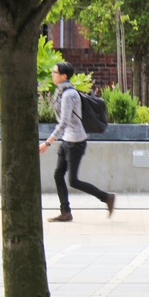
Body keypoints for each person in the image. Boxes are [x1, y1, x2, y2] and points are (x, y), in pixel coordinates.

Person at [39, 61, 115, 222]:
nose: (52, 74)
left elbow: (64, 122)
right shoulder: (61, 92)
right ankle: (65, 212)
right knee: (58, 175)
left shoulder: (69, 95)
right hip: (67, 140)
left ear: (64, 76)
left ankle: (106, 197)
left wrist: (47, 143)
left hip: (76, 142)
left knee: (73, 181)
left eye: (55, 72)